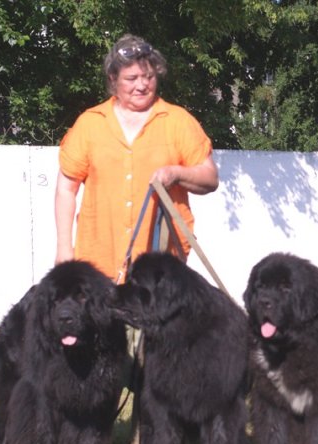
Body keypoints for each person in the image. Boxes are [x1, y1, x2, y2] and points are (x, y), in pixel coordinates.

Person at [55, 33, 219, 281]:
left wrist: (176, 173)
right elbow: (66, 189)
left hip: (159, 269)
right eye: (131, 78)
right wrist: (64, 248)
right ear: (113, 80)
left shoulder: (178, 121)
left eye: (149, 77)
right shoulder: (89, 123)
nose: (142, 85)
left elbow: (210, 178)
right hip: (97, 266)